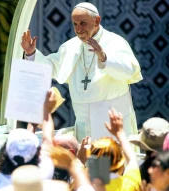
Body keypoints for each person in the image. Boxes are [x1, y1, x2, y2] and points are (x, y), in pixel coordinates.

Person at [21, 2, 142, 141]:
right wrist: (31, 53)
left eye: (83, 23)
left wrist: (104, 58)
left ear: (97, 20)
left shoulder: (116, 42)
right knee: (85, 161)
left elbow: (130, 71)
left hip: (111, 122)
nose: (78, 29)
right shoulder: (70, 46)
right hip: (83, 122)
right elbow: (52, 67)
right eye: (75, 24)